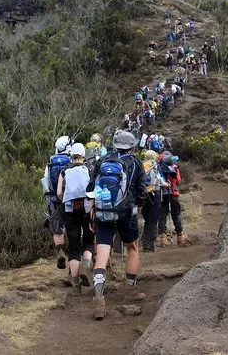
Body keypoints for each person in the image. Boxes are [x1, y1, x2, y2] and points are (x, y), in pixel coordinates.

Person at [87, 130, 147, 320]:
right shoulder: (136, 163)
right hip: (127, 213)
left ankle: (99, 297)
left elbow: (90, 188)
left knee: (102, 254)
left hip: (104, 212)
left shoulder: (102, 160)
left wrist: (93, 210)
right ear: (131, 146)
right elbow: (141, 192)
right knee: (132, 247)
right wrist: (135, 205)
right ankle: (130, 288)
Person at [56, 143, 94, 294]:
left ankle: (76, 285)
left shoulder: (64, 171)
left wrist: (65, 200)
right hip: (86, 210)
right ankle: (85, 265)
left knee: (73, 246)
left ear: (71, 155)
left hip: (70, 210)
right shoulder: (90, 169)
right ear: (84, 155)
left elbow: (59, 193)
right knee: (89, 241)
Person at [42, 136, 72, 269]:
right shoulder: (72, 160)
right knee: (73, 228)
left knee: (57, 229)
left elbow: (45, 181)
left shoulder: (50, 162)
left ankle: (60, 250)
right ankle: (73, 255)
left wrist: (49, 199)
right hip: (70, 199)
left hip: (54, 200)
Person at [140, 150, 168, 252]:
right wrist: (165, 184)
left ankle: (144, 243)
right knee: (153, 220)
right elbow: (159, 179)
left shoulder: (141, 165)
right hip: (154, 194)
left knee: (147, 220)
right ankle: (150, 245)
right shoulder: (155, 166)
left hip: (143, 195)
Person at [157, 153, 187, 246]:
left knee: (162, 216)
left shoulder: (159, 167)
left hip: (163, 194)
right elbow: (178, 180)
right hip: (173, 194)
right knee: (176, 215)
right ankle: (180, 236)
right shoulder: (174, 168)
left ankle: (162, 238)